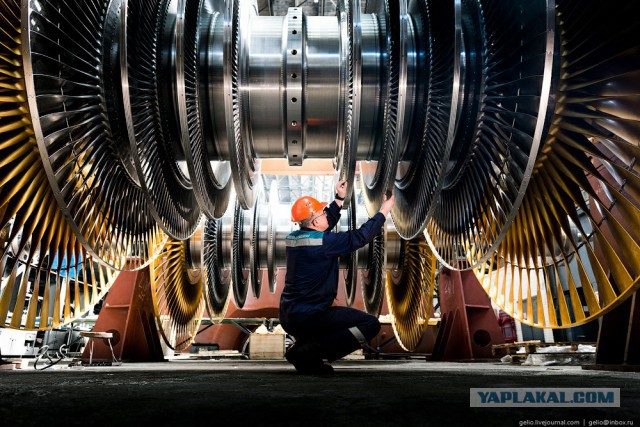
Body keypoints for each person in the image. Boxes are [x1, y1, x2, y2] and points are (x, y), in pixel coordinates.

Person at [279, 180, 395, 375]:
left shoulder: (295, 238)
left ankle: (306, 354)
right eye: (322, 213)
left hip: (290, 316)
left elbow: (324, 223)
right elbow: (360, 237)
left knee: (332, 325)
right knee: (370, 324)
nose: (326, 215)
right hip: (311, 316)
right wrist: (384, 210)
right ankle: (309, 351)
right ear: (315, 222)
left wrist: (339, 198)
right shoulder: (324, 243)